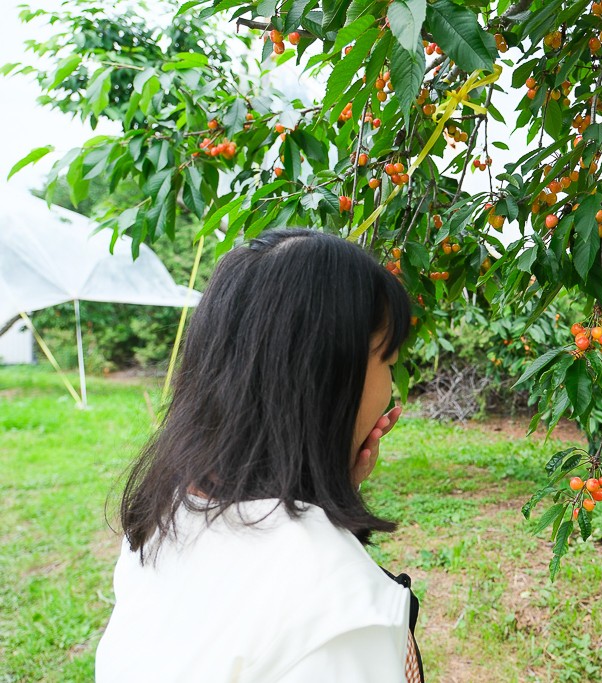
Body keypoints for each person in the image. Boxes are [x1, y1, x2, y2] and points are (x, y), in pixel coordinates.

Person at [95, 229, 422, 683]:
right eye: (388, 361)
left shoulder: (161, 519)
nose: (390, 389)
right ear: (326, 382)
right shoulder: (342, 607)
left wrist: (329, 486)